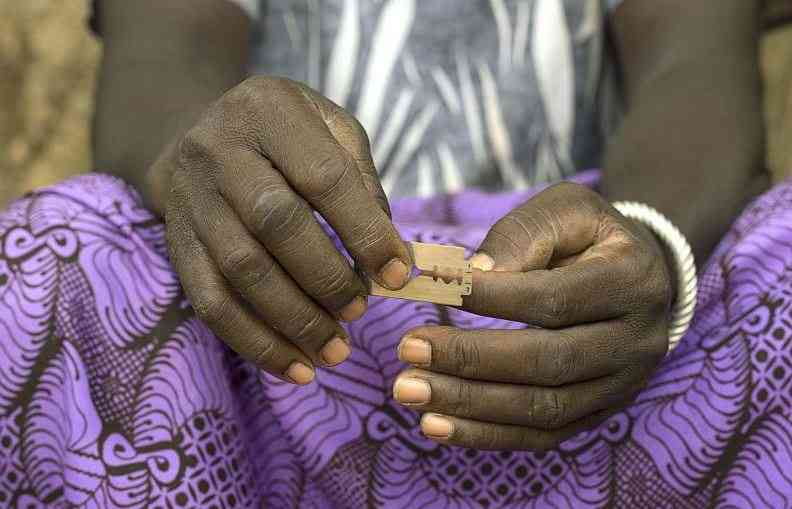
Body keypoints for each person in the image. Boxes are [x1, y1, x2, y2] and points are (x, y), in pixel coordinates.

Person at [1, 0, 790, 507]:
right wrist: (201, 165)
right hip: (275, 324)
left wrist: (650, 244)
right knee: (54, 248)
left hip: (595, 321)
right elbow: (161, 61)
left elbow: (694, 69)